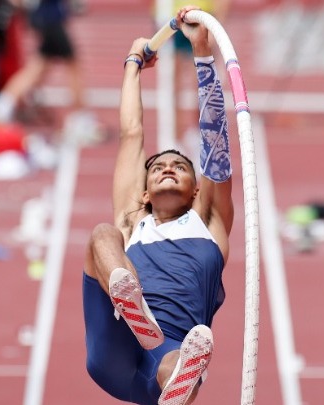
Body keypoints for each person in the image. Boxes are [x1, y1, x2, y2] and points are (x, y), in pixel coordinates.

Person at [82, 6, 234, 405]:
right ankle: (125, 293)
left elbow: (215, 139)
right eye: (159, 167)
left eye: (180, 167)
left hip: (163, 359)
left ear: (196, 190)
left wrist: (203, 54)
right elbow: (131, 134)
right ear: (145, 192)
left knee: (179, 364)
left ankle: (179, 389)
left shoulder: (211, 223)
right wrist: (132, 65)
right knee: (103, 234)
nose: (167, 168)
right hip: (115, 342)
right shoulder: (134, 222)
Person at [0, 0, 102, 142]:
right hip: (50, 19)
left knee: (38, 68)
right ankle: (81, 117)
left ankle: (1, 106)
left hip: (46, 18)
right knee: (72, 66)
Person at [153, 0, 230, 161]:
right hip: (175, 16)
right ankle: (176, 138)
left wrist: (220, 20)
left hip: (204, 15)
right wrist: (158, 14)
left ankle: (198, 135)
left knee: (202, 82)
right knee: (175, 83)